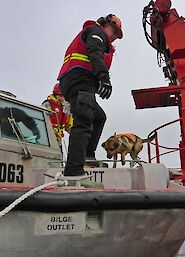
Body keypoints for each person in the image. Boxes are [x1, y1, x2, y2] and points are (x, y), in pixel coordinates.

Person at [57, 14, 123, 176]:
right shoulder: (96, 31)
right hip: (79, 79)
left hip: (79, 81)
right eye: (114, 32)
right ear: (106, 24)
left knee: (98, 117)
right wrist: (104, 78)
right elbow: (94, 51)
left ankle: (87, 155)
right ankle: (74, 170)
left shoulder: (100, 36)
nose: (115, 37)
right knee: (84, 119)